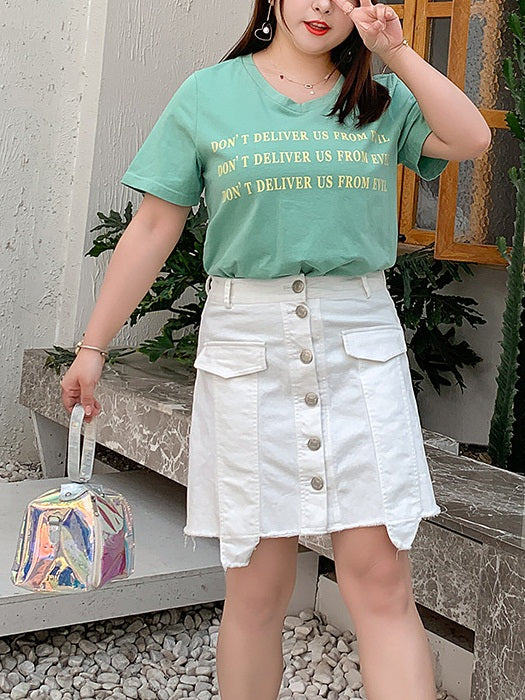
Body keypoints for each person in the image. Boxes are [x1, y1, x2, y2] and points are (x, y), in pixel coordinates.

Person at [60, 1, 491, 698]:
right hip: (246, 351)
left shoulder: (383, 98)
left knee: (379, 580)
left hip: (358, 348)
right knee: (257, 588)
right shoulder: (209, 93)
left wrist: (398, 52)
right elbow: (152, 228)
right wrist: (93, 347)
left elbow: (470, 138)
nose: (321, 6)